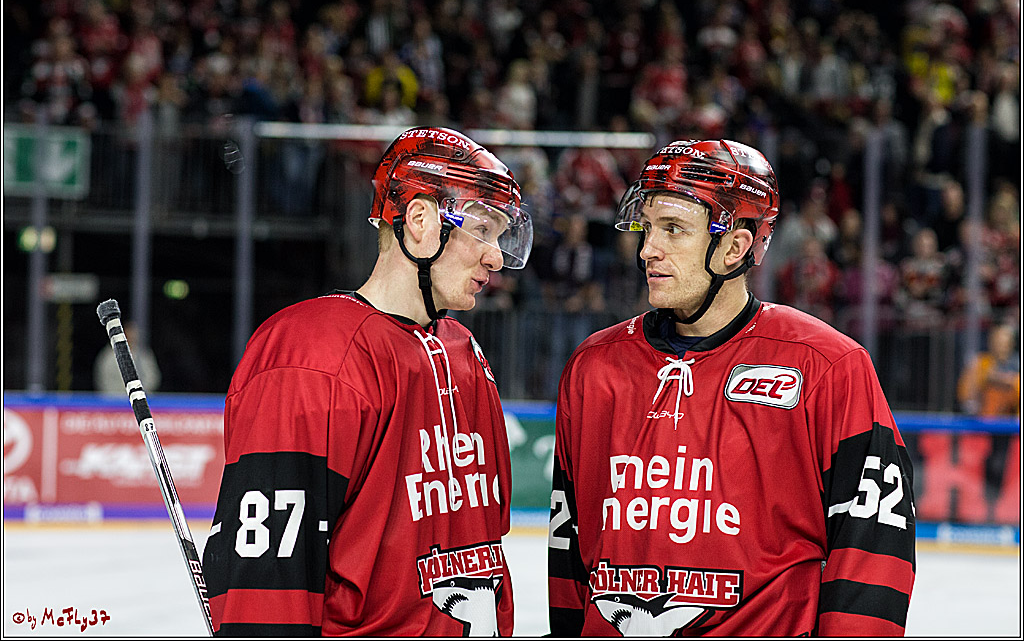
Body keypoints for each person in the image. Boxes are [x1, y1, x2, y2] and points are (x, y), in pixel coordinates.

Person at [547, 139, 916, 636]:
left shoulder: (827, 366)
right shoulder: (594, 367)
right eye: (647, 227)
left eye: (674, 229)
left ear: (735, 247)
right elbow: (567, 544)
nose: (648, 249)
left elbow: (875, 544)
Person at [202, 127, 534, 635]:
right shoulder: (310, 354)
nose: (495, 256)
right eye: (483, 231)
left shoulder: (465, 353)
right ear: (421, 220)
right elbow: (266, 583)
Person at [957, 322, 1020, 417]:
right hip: (984, 420)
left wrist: (1006, 380)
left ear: (1011, 343)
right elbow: (965, 396)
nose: (999, 346)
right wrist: (984, 377)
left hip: (1013, 422)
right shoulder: (980, 363)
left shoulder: (1017, 363)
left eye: (1003, 342)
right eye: (996, 341)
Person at [94, 321, 161, 394]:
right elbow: (103, 379)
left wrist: (138, 394)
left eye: (133, 333)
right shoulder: (108, 356)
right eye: (128, 333)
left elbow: (152, 377)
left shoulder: (143, 355)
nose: (131, 336)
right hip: (114, 400)